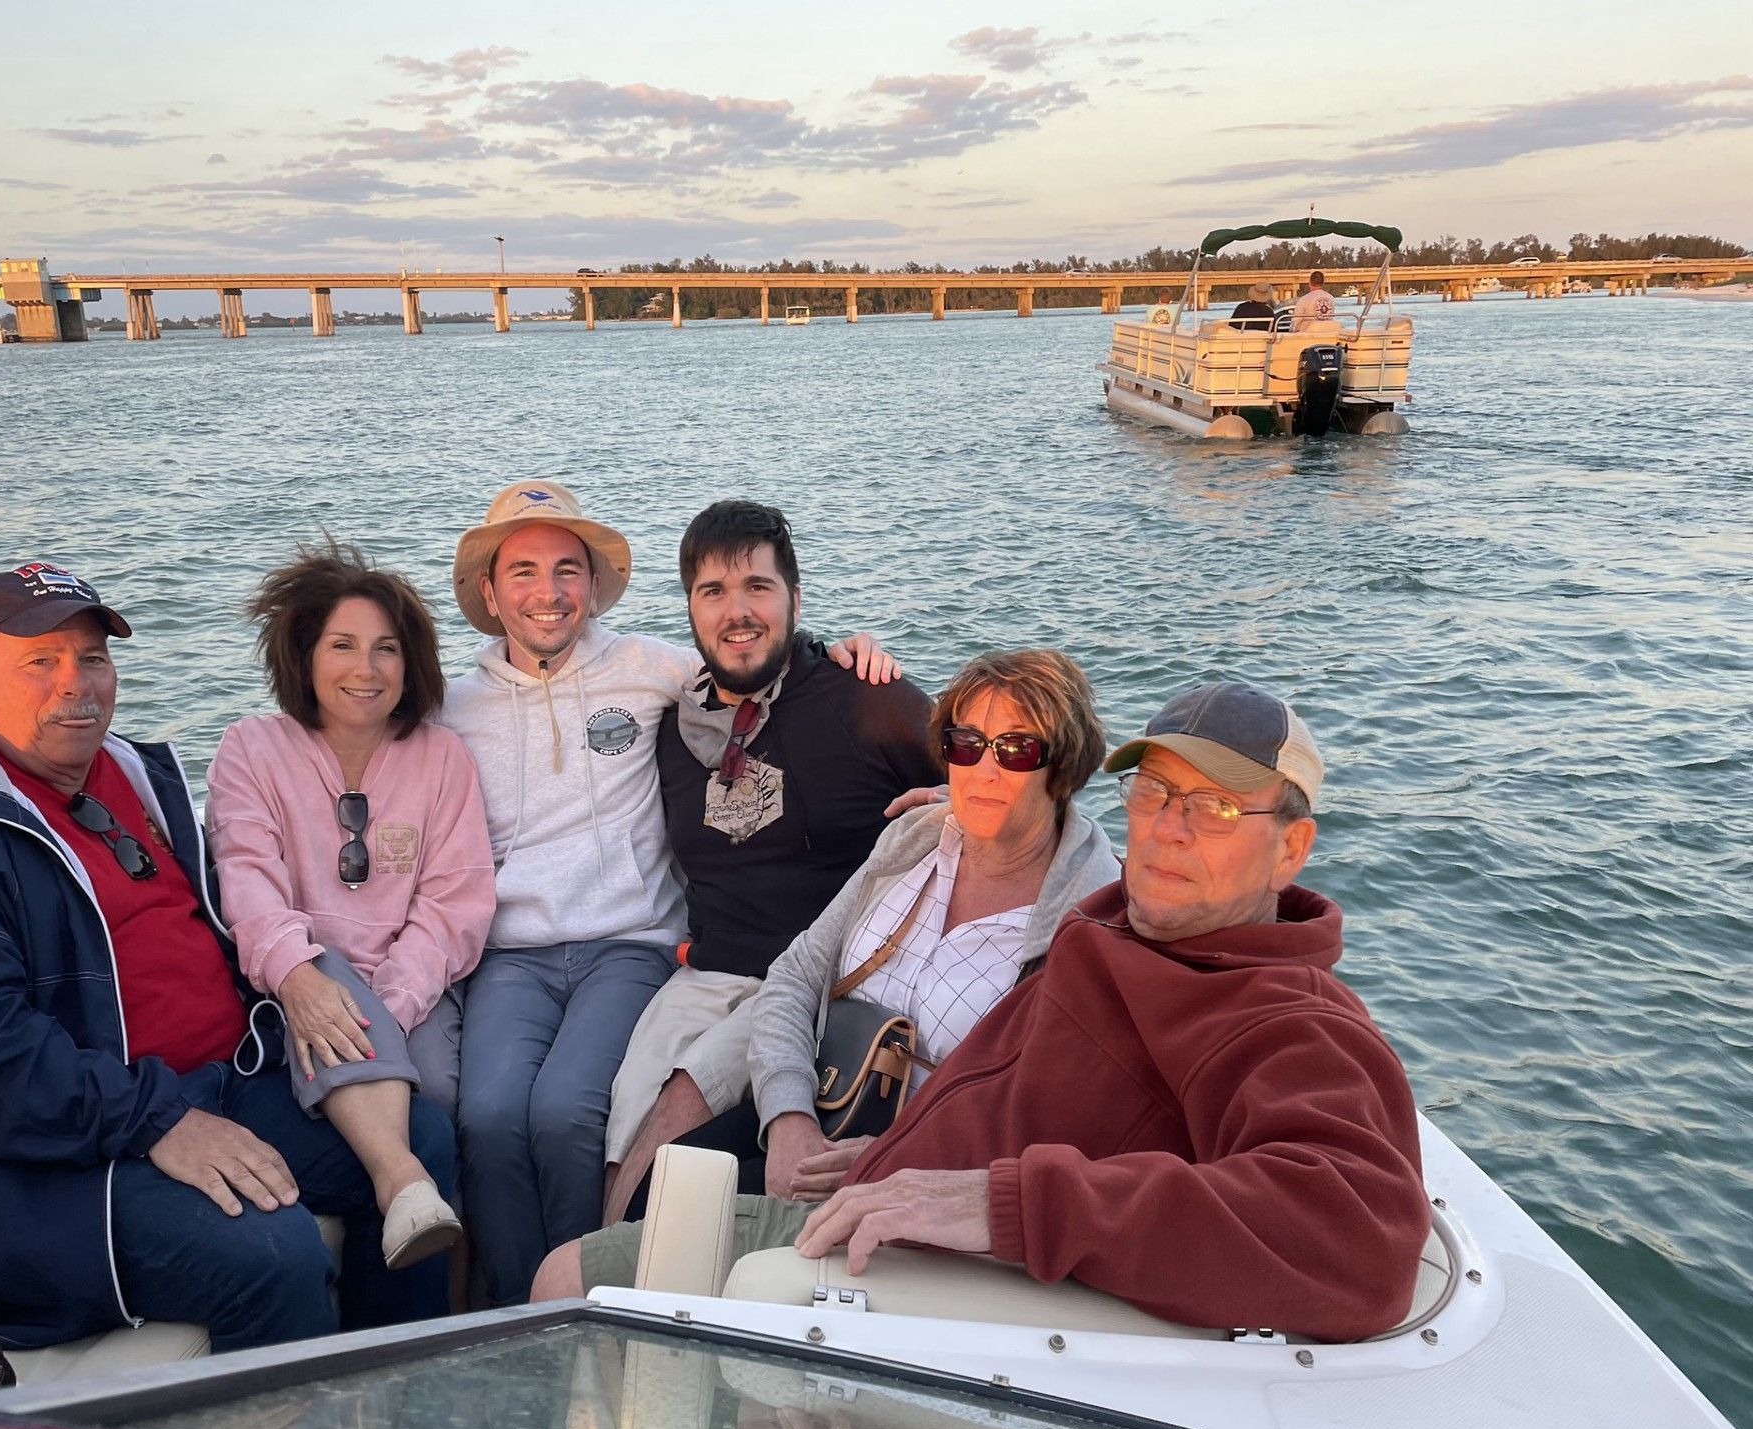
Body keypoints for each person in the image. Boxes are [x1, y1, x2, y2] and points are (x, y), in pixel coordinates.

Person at [537, 681, 1430, 1344]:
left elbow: (1360, 1238)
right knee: (575, 1261)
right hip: (868, 1189)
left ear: (1292, 850)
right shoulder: (1112, 927)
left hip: (916, 1270)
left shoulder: (1281, 1014)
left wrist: (1007, 1206)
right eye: (1153, 794)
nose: (1170, 830)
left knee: (569, 1284)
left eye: (1216, 808)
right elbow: (820, 978)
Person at [0, 563, 457, 1354]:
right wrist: (156, 1120)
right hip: (36, 1165)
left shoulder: (126, 779)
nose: (77, 684)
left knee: (423, 1144)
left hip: (207, 1084)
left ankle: (399, 1399)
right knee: (270, 1253)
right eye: (41, 661)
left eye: (92, 658)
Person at [419, 481, 894, 1306]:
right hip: (510, 956)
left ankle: (581, 1301)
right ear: (490, 593)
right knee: (490, 1117)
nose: (548, 592)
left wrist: (845, 652)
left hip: (629, 945)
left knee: (569, 1112)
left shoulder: (650, 671)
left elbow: (751, 663)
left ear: (594, 586)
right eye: (523, 572)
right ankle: (509, 1310)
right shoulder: (452, 709)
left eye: (568, 570)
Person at [600, 501, 940, 1222]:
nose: (737, 611)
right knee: (617, 1131)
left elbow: (983, 784)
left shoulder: (864, 703)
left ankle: (597, 1292)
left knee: (675, 1111)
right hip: (705, 971)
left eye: (758, 587)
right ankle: (598, 1288)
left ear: (795, 599)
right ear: (690, 608)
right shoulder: (674, 725)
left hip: (815, 981)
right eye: (713, 592)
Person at [206, 541, 495, 1270]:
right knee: (386, 1102)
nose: (365, 671)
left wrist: (384, 1011)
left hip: (411, 989)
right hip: (293, 980)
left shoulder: (441, 757)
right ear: (304, 655)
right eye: (343, 646)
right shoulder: (251, 749)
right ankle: (403, 1193)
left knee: (443, 1096)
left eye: (386, 650)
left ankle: (448, 1287)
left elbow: (454, 904)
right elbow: (247, 880)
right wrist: (301, 979)